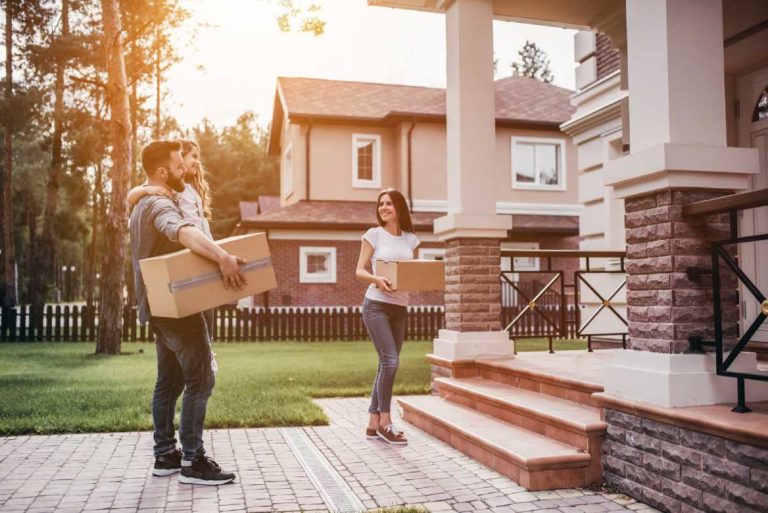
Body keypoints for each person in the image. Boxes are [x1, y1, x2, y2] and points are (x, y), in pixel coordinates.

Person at [130, 140, 243, 485]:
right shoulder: (159, 205)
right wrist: (223, 257)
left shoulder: (141, 203)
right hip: (177, 309)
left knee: (169, 381)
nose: (185, 170)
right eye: (179, 166)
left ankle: (165, 455)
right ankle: (193, 461)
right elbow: (182, 231)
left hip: (157, 306)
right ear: (163, 171)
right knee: (201, 378)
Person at [127, 139, 215, 339]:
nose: (196, 162)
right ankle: (205, 352)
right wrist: (146, 190)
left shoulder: (190, 189)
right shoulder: (170, 187)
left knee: (208, 311)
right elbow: (130, 196)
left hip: (204, 247)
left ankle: (208, 347)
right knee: (199, 313)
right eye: (192, 156)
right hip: (191, 248)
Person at [355, 188, 419, 445]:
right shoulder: (373, 235)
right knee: (391, 362)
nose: (383, 208)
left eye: (389, 204)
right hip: (377, 305)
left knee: (386, 363)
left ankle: (372, 424)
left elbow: (411, 272)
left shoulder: (411, 239)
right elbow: (359, 270)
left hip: (400, 307)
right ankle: (385, 421)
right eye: (381, 204)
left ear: (399, 208)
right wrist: (377, 279)